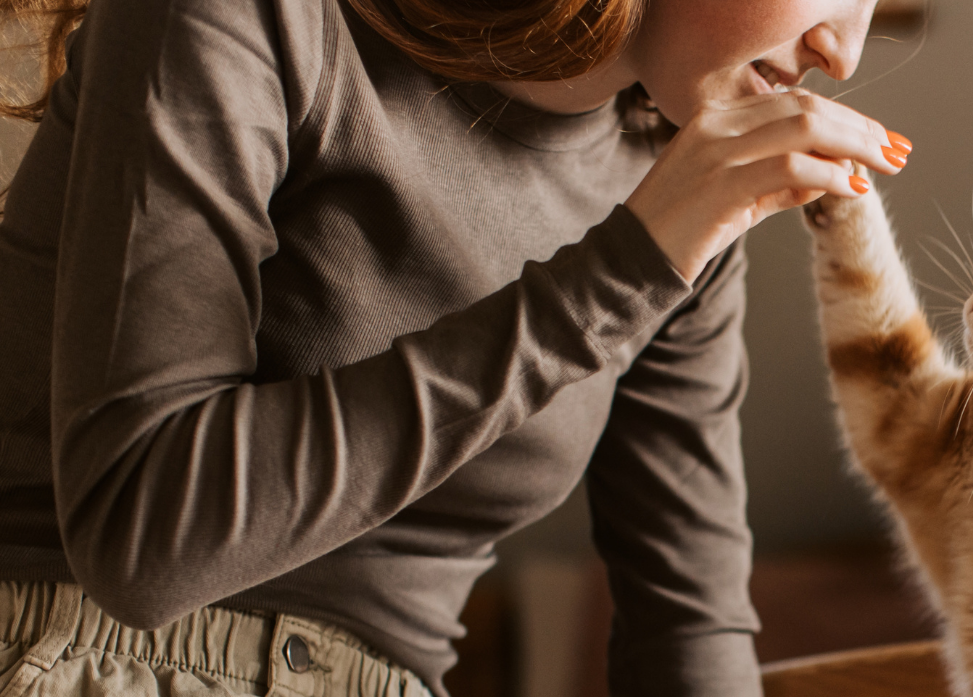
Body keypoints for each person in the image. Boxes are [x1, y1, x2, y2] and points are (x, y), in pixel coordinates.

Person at [0, 0, 911, 692]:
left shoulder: (673, 197)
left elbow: (692, 629)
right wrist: (624, 270)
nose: (847, 50)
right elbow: (142, 543)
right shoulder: (252, 18)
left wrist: (652, 253)